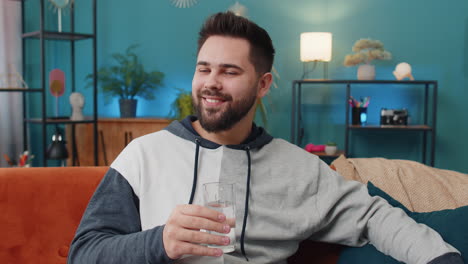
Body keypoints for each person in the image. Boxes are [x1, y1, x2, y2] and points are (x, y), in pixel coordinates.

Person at [68, 12, 463, 264]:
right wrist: (159, 243)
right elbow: (84, 254)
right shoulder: (143, 155)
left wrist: (440, 258)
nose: (211, 83)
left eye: (229, 72)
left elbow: (375, 217)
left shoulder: (300, 169)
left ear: (263, 84)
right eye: (204, 69)